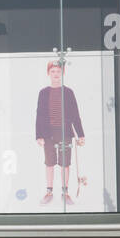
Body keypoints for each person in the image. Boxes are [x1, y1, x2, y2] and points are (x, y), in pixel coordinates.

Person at [33, 60, 86, 206]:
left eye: (58, 71)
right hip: (48, 133)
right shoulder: (43, 93)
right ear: (48, 73)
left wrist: (80, 134)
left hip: (65, 133)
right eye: (53, 72)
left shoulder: (68, 92)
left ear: (62, 73)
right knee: (49, 162)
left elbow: (76, 114)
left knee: (65, 163)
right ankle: (49, 191)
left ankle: (65, 192)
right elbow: (39, 114)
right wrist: (38, 135)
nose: (55, 74)